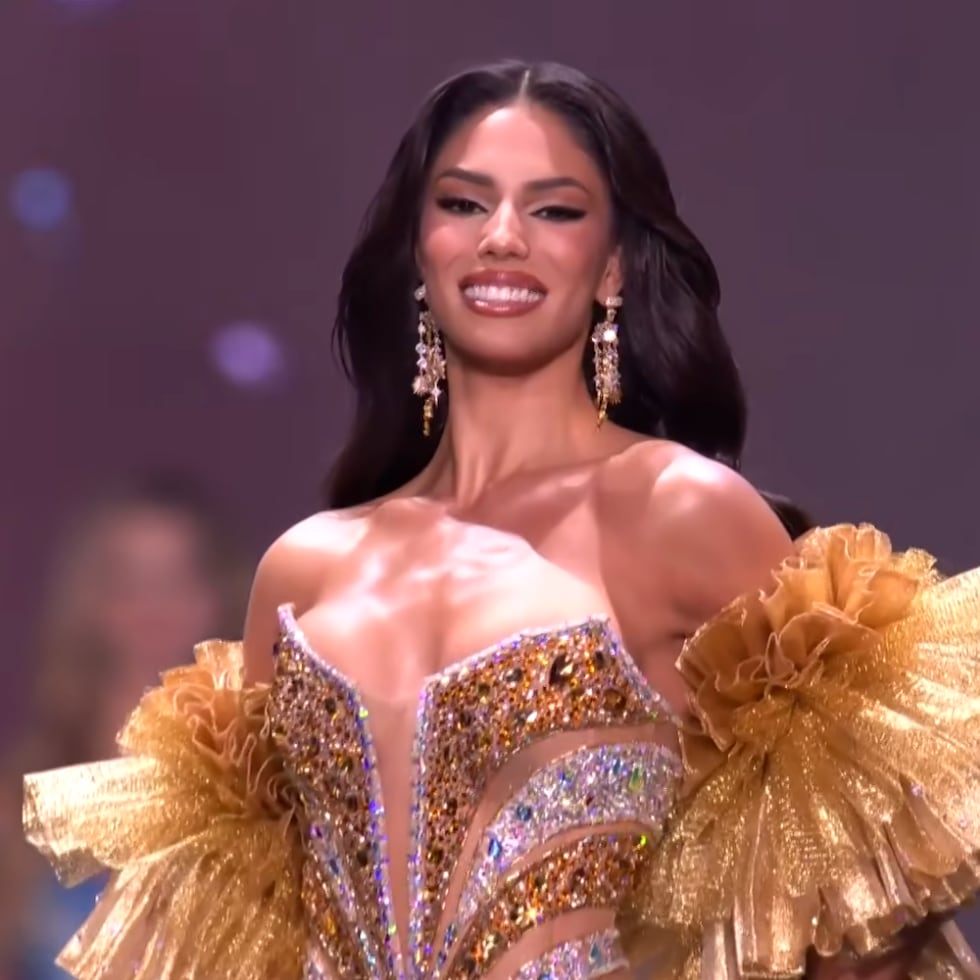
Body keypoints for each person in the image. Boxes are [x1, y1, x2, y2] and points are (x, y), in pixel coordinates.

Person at [22, 61, 980, 980]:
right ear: (419, 252)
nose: (503, 237)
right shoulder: (306, 569)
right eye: (463, 203)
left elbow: (872, 922)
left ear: (612, 269)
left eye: (554, 209)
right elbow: (245, 941)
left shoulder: (676, 511)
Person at [4, 473, 250, 978]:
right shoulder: (20, 798)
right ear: (90, 601)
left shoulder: (259, 797)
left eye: (177, 580)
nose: (154, 607)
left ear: (217, 595)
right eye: (130, 584)